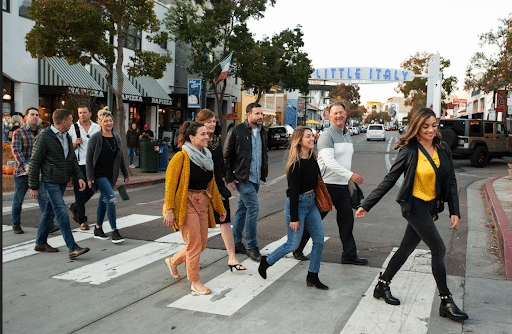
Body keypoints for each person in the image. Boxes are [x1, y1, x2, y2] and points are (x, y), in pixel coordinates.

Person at [355, 108, 468, 321]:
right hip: (414, 206)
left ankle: (382, 284)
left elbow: (451, 180)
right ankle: (446, 300)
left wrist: (454, 210)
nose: (430, 130)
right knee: (439, 248)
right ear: (417, 127)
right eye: (425, 126)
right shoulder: (409, 150)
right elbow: (389, 180)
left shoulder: (443, 148)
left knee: (406, 248)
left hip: (430, 207)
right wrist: (367, 204)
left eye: (433, 125)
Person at [293, 102, 368, 266]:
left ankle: (349, 255)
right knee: (315, 219)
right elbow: (328, 161)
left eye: (341, 112)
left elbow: (344, 159)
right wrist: (351, 175)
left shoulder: (346, 134)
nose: (338, 116)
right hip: (326, 185)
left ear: (346, 114)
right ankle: (297, 248)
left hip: (342, 186)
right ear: (329, 115)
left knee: (347, 221)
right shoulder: (327, 135)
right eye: (335, 113)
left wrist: (348, 179)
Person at [258, 126, 328, 290]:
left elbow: (317, 179)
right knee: (292, 244)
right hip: (298, 205)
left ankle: (313, 275)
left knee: (319, 241)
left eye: (312, 136)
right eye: (308, 137)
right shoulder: (295, 165)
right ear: (299, 141)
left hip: (311, 204)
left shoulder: (312, 157)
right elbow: (294, 193)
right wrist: (294, 217)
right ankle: (266, 261)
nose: (312, 139)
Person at [162, 121, 226, 295]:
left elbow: (212, 185)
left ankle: (174, 261)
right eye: (203, 134)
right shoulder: (181, 157)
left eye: (207, 133)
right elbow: (170, 185)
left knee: (202, 243)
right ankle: (195, 281)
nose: (207, 137)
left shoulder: (207, 156)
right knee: (194, 243)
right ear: (192, 137)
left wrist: (220, 208)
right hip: (186, 202)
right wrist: (169, 210)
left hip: (203, 201)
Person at [29, 109, 90, 259]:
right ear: (63, 122)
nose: (72, 122)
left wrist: (80, 177)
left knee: (50, 211)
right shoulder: (44, 137)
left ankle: (40, 242)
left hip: (62, 180)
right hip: (50, 181)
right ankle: (73, 247)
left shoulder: (67, 136)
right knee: (61, 211)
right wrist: (33, 185)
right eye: (70, 120)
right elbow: (34, 162)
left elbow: (71, 159)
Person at [196, 109, 246, 271]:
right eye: (208, 121)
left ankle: (232, 258)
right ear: (200, 123)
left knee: (225, 222)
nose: (212, 124)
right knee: (200, 227)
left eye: (213, 121)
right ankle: (193, 258)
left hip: (218, 188)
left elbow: (221, 163)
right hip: (202, 190)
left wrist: (228, 178)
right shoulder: (195, 142)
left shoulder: (216, 139)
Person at [223, 103, 268, 262]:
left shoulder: (263, 132)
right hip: (242, 177)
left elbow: (262, 154)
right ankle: (251, 246)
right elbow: (226, 156)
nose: (260, 116)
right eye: (256, 114)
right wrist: (229, 177)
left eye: (261, 113)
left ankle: (235, 243)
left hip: (255, 178)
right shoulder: (237, 131)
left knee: (242, 210)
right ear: (248, 115)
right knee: (253, 209)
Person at [11, 107, 58, 234]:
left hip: (38, 173)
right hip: (22, 173)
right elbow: (16, 152)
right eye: (32, 114)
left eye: (37, 115)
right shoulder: (18, 133)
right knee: (18, 200)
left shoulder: (42, 133)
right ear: (26, 117)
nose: (35, 117)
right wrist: (26, 166)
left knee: (43, 199)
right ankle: (16, 224)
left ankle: (48, 225)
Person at [86, 110, 130, 243]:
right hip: (99, 175)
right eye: (106, 121)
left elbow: (120, 156)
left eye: (110, 120)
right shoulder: (95, 138)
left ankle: (98, 229)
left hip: (111, 175)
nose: (109, 123)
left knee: (103, 201)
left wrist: (125, 173)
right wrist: (89, 177)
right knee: (111, 199)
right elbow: (88, 158)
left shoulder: (116, 137)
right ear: (100, 122)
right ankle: (114, 231)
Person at [68, 105, 101, 230]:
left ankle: (75, 206)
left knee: (93, 188)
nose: (82, 115)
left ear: (90, 114)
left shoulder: (97, 127)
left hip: (94, 164)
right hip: (79, 164)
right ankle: (82, 220)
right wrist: (74, 144)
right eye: (80, 113)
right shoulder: (72, 128)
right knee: (80, 192)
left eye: (85, 112)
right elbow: (66, 147)